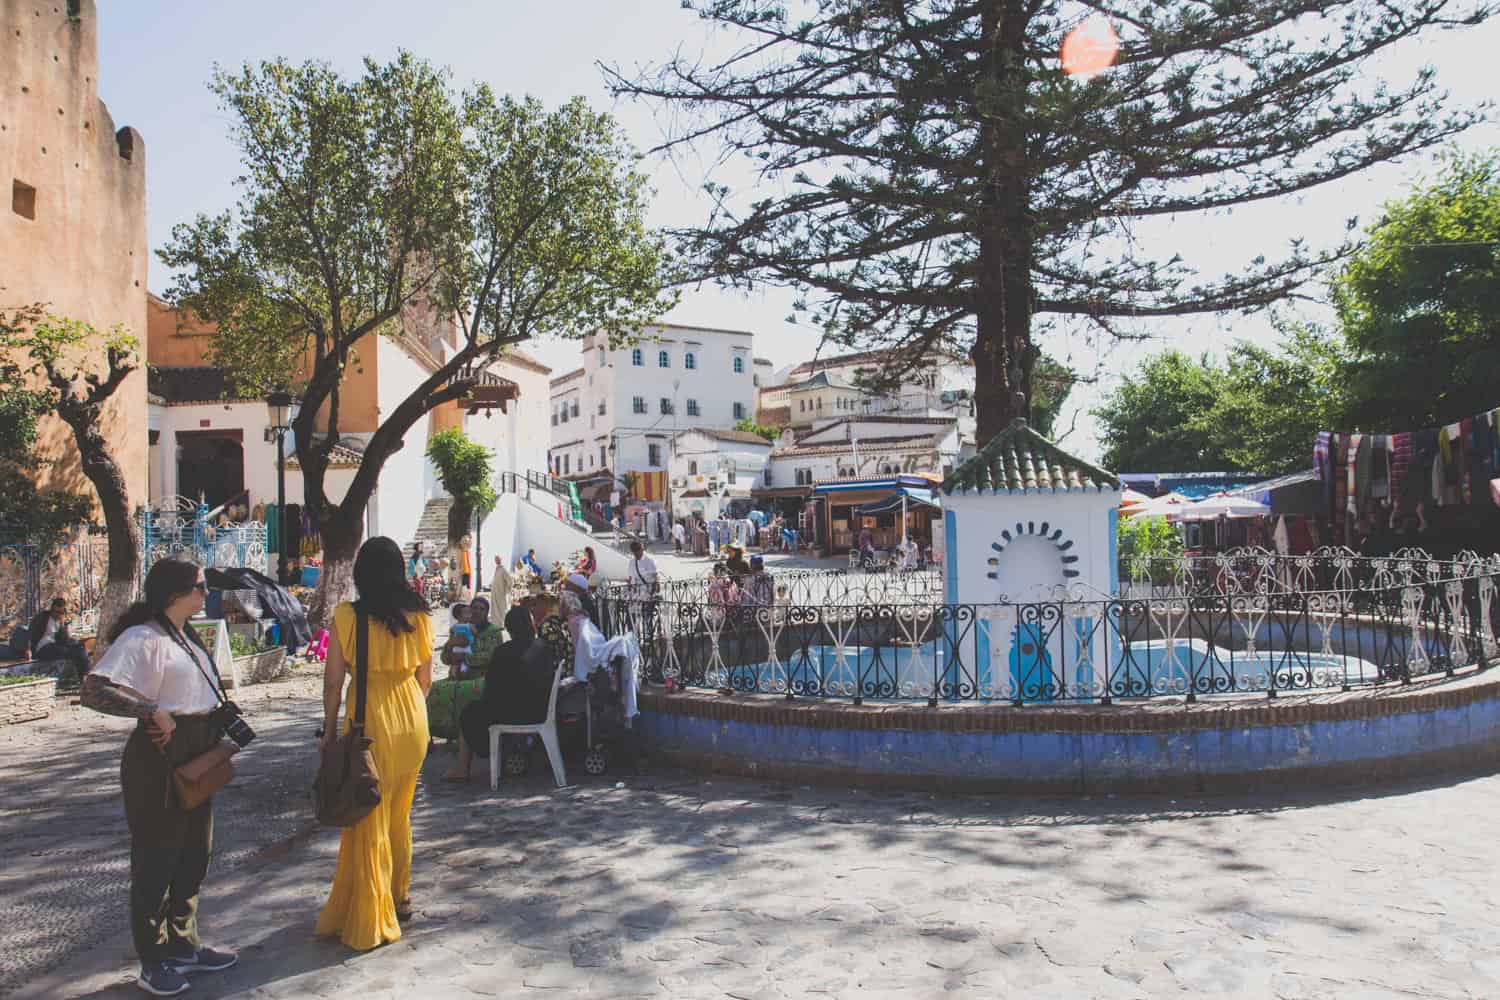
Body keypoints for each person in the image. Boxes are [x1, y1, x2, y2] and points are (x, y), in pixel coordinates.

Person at [81, 558, 239, 997]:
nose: (205, 594)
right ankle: (153, 961)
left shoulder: (185, 634)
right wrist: (149, 710)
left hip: (200, 749)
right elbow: (92, 689)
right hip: (161, 756)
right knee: (156, 859)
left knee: (194, 853)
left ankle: (183, 945)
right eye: (199, 587)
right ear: (174, 593)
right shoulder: (143, 637)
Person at [316, 537, 433, 951]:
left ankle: (372, 912)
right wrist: (413, 715)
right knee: (399, 815)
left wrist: (328, 731)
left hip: (370, 723)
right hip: (412, 720)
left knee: (369, 820)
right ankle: (399, 897)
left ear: (360, 574)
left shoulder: (347, 616)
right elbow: (426, 679)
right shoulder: (418, 615)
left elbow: (334, 683)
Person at [444, 607, 558, 781]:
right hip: (541, 710)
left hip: (511, 714)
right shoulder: (543, 647)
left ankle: (462, 768)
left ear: (509, 629)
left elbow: (491, 685)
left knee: (469, 711)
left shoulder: (503, 651)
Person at [427, 597, 501, 741]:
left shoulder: (493, 632)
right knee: (432, 690)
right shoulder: (461, 629)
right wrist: (450, 646)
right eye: (474, 608)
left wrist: (465, 657)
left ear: (487, 613)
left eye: (482, 609)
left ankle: (466, 737)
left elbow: (491, 656)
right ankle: (439, 734)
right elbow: (445, 658)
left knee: (467, 691)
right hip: (458, 676)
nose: (477, 612)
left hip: (482, 678)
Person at [29, 596, 90, 681]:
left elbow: (65, 639)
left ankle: (85, 676)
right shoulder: (42, 617)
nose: (57, 614)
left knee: (80, 648)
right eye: (55, 611)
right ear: (52, 609)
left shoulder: (60, 621)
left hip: (55, 646)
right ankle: (83, 677)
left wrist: (62, 625)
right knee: (72, 652)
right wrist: (28, 649)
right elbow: (30, 632)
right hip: (42, 648)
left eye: (60, 612)